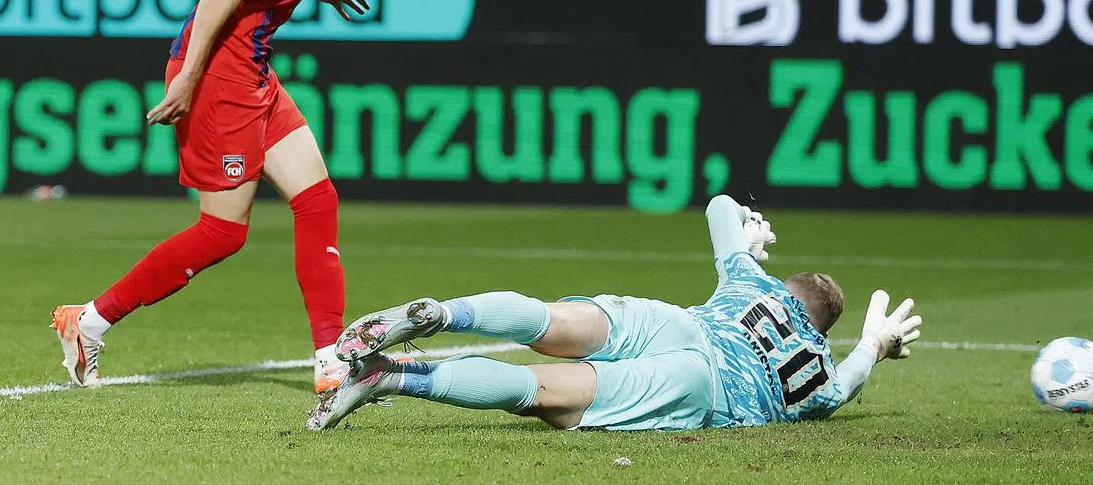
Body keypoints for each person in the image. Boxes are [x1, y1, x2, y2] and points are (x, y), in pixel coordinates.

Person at [51, 0, 428, 398]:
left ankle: (331, 359)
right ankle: (89, 322)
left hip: (249, 70)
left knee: (317, 200)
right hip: (219, 76)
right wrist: (190, 77)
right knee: (223, 233)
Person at [308, 195, 922, 431]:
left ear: (786, 286)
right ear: (822, 327)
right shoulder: (813, 369)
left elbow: (717, 204)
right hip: (701, 386)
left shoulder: (750, 283)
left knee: (545, 321)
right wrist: (876, 342)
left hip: (681, 325)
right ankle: (386, 376)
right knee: (540, 389)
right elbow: (846, 384)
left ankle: (442, 312)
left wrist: (747, 229)